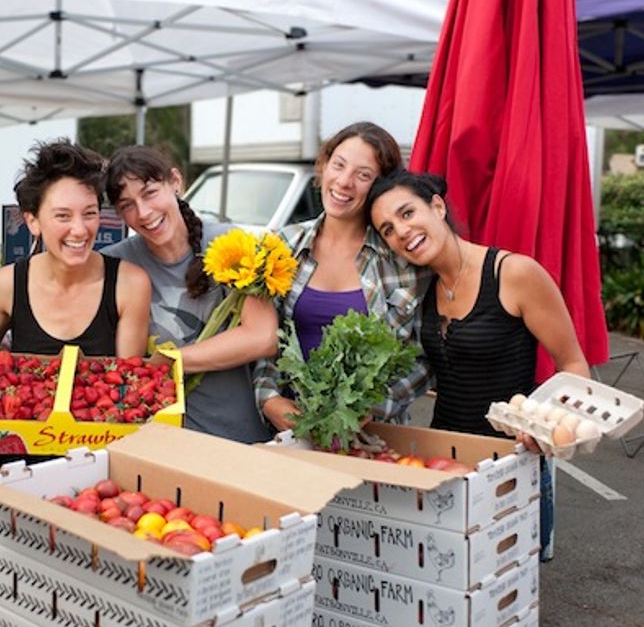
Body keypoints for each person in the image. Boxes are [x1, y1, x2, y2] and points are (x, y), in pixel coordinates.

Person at [367, 168, 590, 561]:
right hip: (443, 464)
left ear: (437, 207)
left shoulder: (514, 273)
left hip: (511, 465)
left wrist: (546, 425)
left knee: (506, 581)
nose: (401, 231)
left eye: (407, 213)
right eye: (388, 229)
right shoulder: (422, 290)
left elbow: (573, 365)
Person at [254, 122, 432, 432]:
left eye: (363, 175)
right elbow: (263, 339)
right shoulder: (282, 246)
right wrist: (269, 399)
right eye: (338, 165)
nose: (344, 182)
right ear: (324, 165)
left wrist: (371, 406)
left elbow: (423, 359)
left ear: (379, 186)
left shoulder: (401, 259)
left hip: (372, 437)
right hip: (289, 430)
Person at [103, 146, 275, 443]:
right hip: (163, 442)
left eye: (150, 193)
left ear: (175, 182)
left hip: (241, 439)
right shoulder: (115, 265)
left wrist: (168, 361)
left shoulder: (229, 244)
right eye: (127, 205)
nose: (143, 213)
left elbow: (262, 337)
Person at [0, 139, 150, 357]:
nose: (79, 230)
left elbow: (130, 374)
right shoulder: (7, 285)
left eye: (89, 213)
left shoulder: (130, 284)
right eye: (63, 216)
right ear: (33, 221)